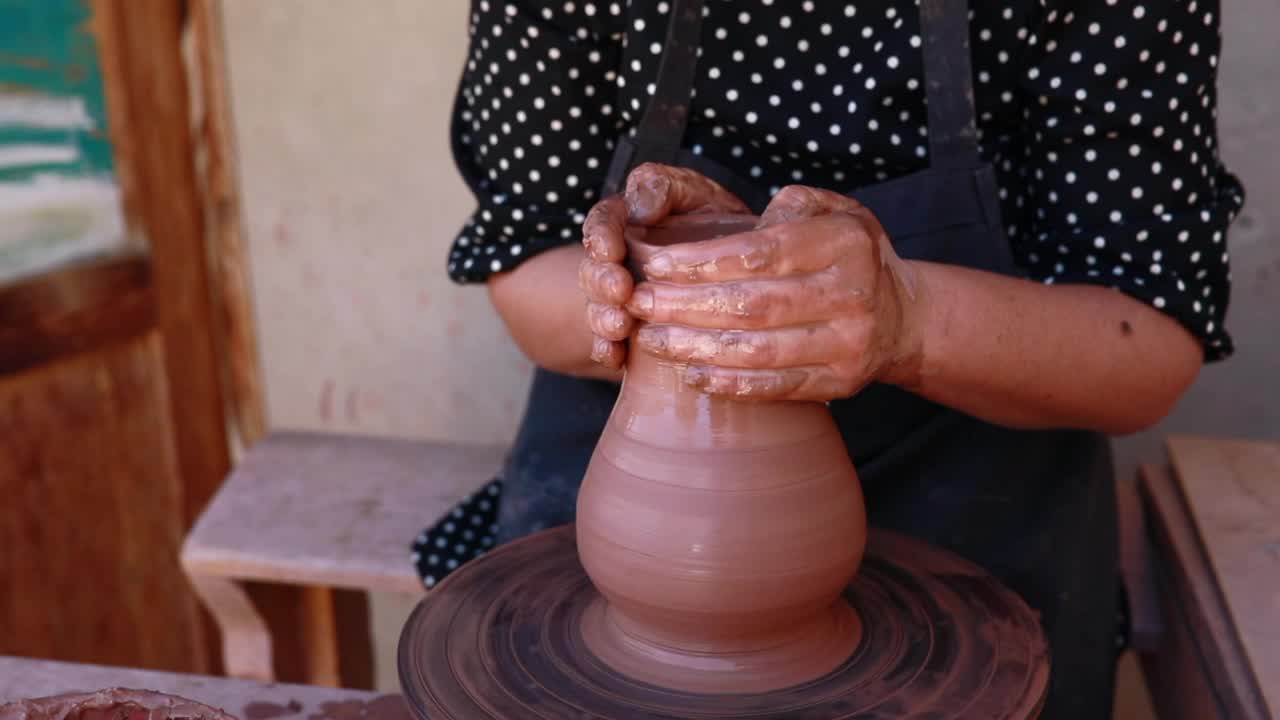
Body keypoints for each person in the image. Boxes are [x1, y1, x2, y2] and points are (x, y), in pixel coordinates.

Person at [412, 1, 1244, 716]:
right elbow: (526, 271)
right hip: (626, 505)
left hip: (985, 503)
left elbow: (1149, 338)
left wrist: (905, 320)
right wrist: (694, 281)